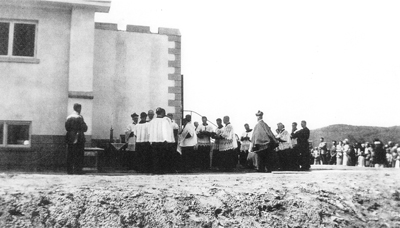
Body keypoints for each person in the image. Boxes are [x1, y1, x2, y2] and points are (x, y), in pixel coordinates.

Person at [148, 107, 175, 173]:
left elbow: (149, 132)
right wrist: (167, 140)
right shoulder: (165, 121)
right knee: (162, 156)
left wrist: (151, 140)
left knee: (155, 156)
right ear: (162, 113)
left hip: (154, 141)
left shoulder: (152, 121)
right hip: (162, 141)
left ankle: (155, 170)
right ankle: (162, 170)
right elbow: (166, 132)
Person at [65, 103, 88, 174]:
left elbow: (66, 128)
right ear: (78, 109)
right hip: (79, 138)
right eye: (80, 108)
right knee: (79, 154)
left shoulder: (68, 117)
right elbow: (85, 128)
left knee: (70, 154)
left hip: (70, 138)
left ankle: (69, 170)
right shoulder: (80, 117)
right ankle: (78, 170)